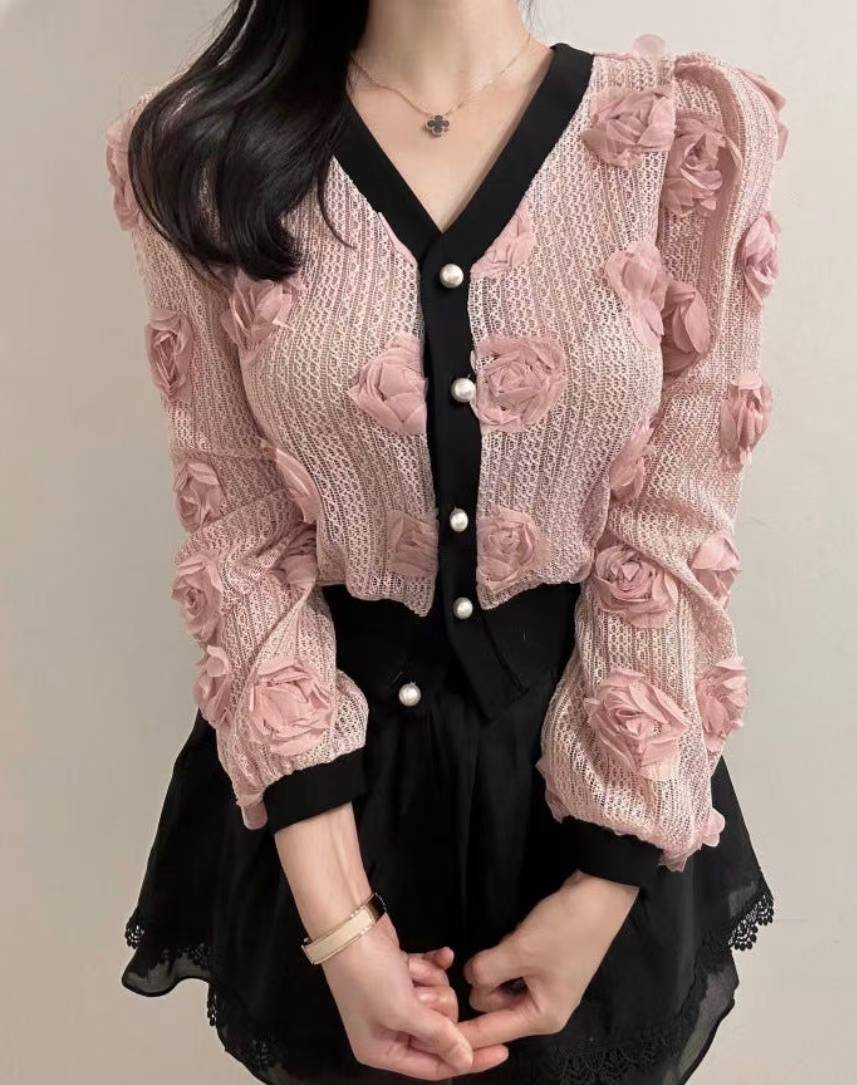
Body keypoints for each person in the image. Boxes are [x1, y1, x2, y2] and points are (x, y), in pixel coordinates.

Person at [105, 2, 788, 1082]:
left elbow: (676, 515)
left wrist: (607, 870)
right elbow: (239, 525)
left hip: (598, 779)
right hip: (320, 802)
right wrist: (340, 925)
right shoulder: (203, 152)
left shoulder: (682, 134)